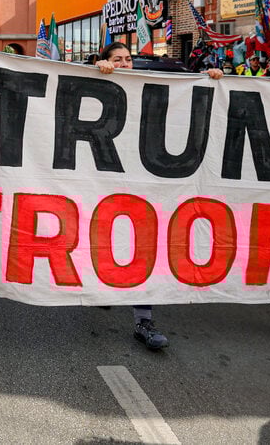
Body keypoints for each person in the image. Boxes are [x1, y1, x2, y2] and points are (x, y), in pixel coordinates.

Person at [94, 44, 222, 350]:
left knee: (143, 246)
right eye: (117, 60)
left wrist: (211, 77)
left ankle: (144, 319)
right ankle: (101, 287)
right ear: (104, 61)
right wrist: (95, 74)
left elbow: (188, 83)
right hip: (103, 183)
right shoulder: (95, 83)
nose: (125, 64)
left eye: (128, 59)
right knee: (105, 241)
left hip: (144, 186)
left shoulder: (151, 83)